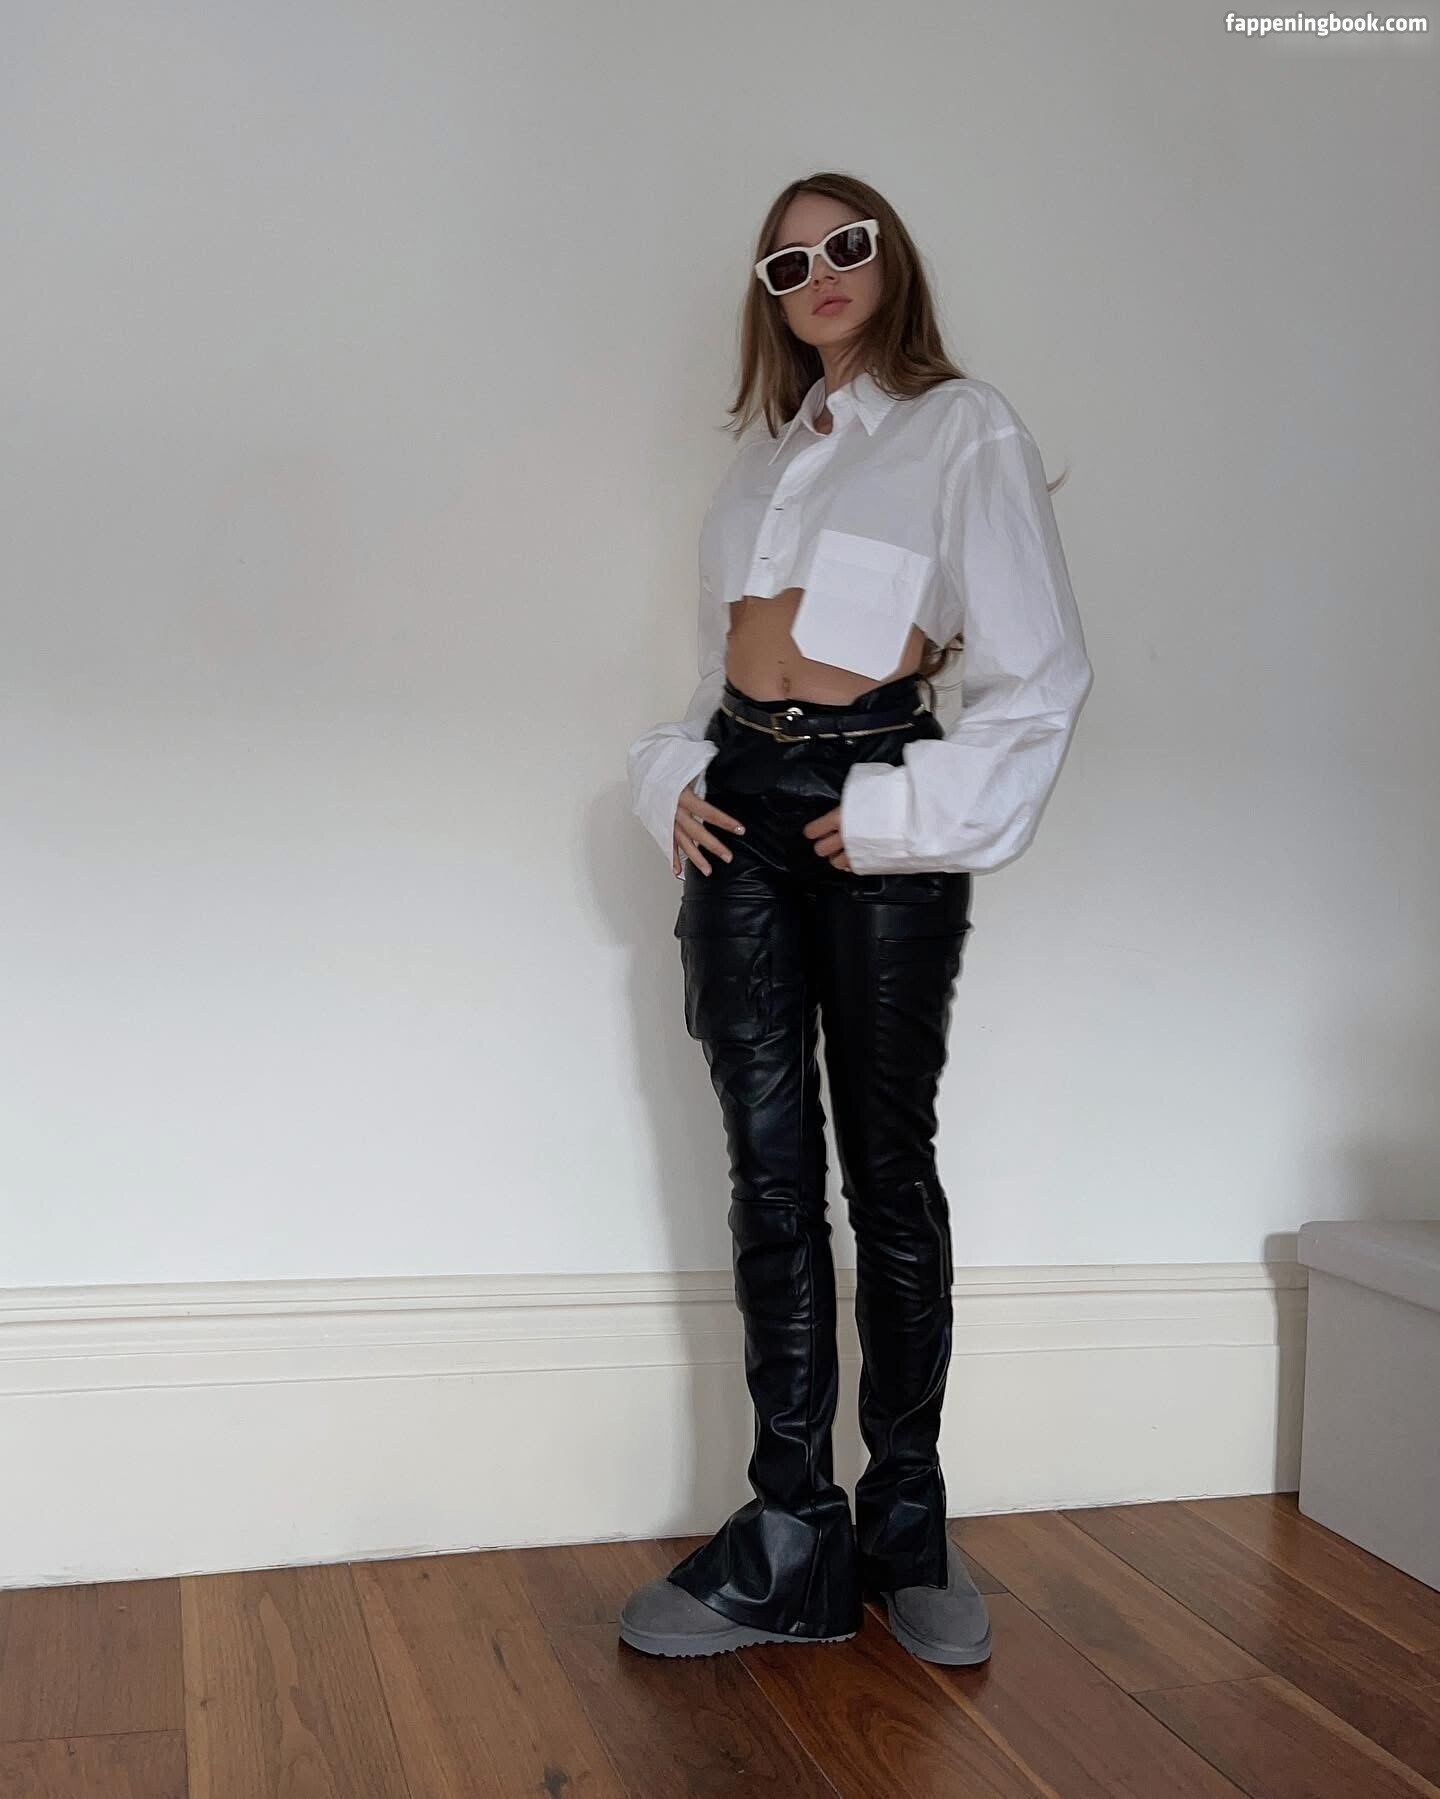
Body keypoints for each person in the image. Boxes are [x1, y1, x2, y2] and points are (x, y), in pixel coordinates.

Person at [618, 172, 1094, 1664]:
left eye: (844, 245)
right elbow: (727, 665)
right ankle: (789, 1535)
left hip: (877, 798)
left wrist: (903, 813)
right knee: (767, 1175)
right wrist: (669, 778)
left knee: (887, 1168)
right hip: (742, 806)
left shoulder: (963, 427)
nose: (818, 273)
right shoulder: (764, 463)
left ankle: (905, 1524)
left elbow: (1038, 676)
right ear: (768, 300)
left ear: (892, 259)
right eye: (786, 264)